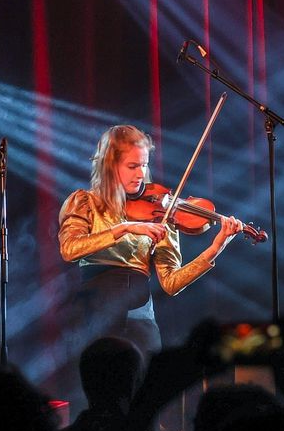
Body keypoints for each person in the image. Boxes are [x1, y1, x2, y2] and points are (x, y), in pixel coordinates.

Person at [59, 124, 243, 353]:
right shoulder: (85, 202)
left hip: (140, 314)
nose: (140, 174)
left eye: (144, 165)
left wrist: (215, 248)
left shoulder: (161, 212)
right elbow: (69, 248)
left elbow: (171, 283)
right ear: (109, 165)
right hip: (96, 308)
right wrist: (125, 228)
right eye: (132, 166)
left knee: (150, 380)